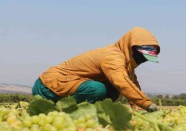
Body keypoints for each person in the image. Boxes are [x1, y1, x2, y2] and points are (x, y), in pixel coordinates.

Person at [32, 27, 160, 112]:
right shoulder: (112, 57)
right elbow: (123, 83)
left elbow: (132, 85)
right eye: (142, 55)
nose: (143, 59)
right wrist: (147, 104)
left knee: (113, 91)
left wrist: (140, 109)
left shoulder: (126, 64)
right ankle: (68, 112)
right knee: (98, 89)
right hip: (48, 86)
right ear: (131, 47)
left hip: (66, 85)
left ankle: (84, 112)